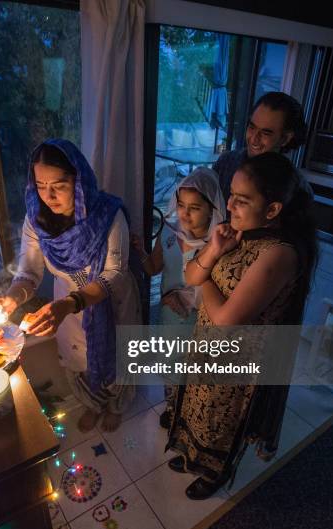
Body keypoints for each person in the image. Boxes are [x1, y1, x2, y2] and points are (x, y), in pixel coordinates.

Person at [164, 152, 317, 500]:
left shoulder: (278, 253)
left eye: (242, 200)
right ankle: (190, 455)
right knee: (195, 405)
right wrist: (213, 250)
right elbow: (190, 275)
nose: (229, 204)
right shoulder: (238, 232)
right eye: (231, 194)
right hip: (205, 344)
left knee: (220, 420)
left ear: (273, 209)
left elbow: (225, 320)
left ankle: (214, 472)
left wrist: (206, 264)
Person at [0, 139, 141, 433]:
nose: (48, 196)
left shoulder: (108, 215)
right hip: (67, 308)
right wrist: (11, 299)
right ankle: (93, 403)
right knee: (76, 357)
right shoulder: (36, 219)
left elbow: (114, 274)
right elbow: (28, 273)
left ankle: (116, 406)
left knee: (119, 356)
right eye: (41, 185)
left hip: (110, 303)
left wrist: (70, 304)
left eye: (60, 185)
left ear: (79, 181)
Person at [132, 168, 225, 326]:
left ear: (211, 209)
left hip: (202, 321)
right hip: (170, 315)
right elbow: (153, 268)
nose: (184, 213)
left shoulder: (219, 244)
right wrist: (140, 251)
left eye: (194, 208)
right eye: (181, 205)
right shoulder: (169, 232)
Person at [214, 91, 308, 203]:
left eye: (265, 133)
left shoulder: (297, 189)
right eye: (252, 127)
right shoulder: (226, 163)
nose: (254, 138)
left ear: (285, 139)